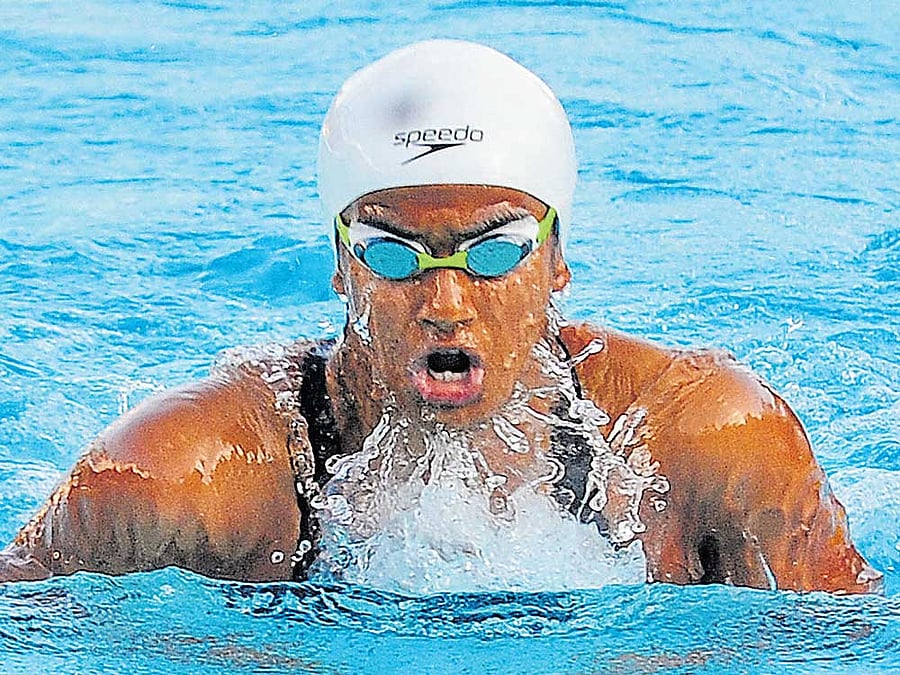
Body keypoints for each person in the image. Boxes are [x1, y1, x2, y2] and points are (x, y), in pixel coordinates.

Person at [0, 40, 881, 594]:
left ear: (558, 258)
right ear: (341, 265)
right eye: (393, 254)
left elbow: (851, 642)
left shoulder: (707, 437)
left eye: (494, 251)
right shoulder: (181, 472)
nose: (446, 303)